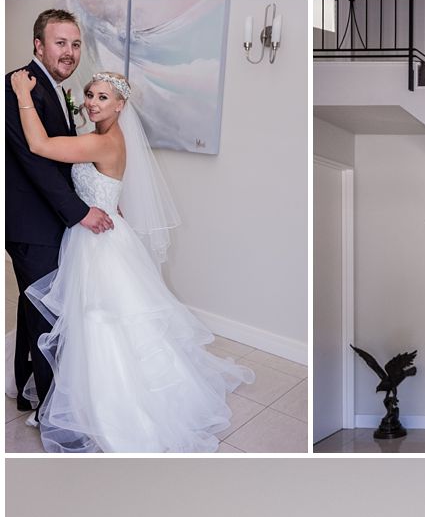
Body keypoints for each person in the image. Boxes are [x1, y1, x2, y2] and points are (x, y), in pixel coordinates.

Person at [9, 65, 253, 453]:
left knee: (98, 322)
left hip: (95, 244)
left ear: (121, 105)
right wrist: (108, 203)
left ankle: (105, 406)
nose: (92, 102)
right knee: (96, 322)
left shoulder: (102, 143)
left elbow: (38, 146)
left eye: (103, 97)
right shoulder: (100, 139)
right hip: (99, 232)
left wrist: (22, 94)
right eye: (90, 94)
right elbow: (104, 184)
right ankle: (81, 394)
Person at [5, 8, 113, 416]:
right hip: (32, 224)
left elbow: (66, 158)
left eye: (75, 44)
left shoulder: (52, 87)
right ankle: (56, 414)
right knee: (50, 316)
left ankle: (24, 384)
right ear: (38, 45)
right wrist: (80, 211)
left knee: (35, 307)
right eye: (60, 43)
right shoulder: (21, 87)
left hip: (48, 222)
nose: (69, 52)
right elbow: (34, 162)